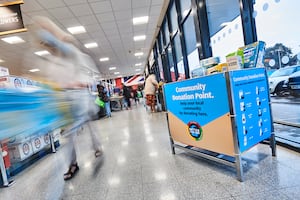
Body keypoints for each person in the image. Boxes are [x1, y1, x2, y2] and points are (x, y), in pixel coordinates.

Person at [30, 16, 103, 181]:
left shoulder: (74, 54)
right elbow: (52, 84)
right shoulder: (51, 62)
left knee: (89, 125)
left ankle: (97, 146)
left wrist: (80, 83)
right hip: (66, 101)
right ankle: (73, 164)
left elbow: (92, 76)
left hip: (82, 98)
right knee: (69, 134)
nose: (49, 47)